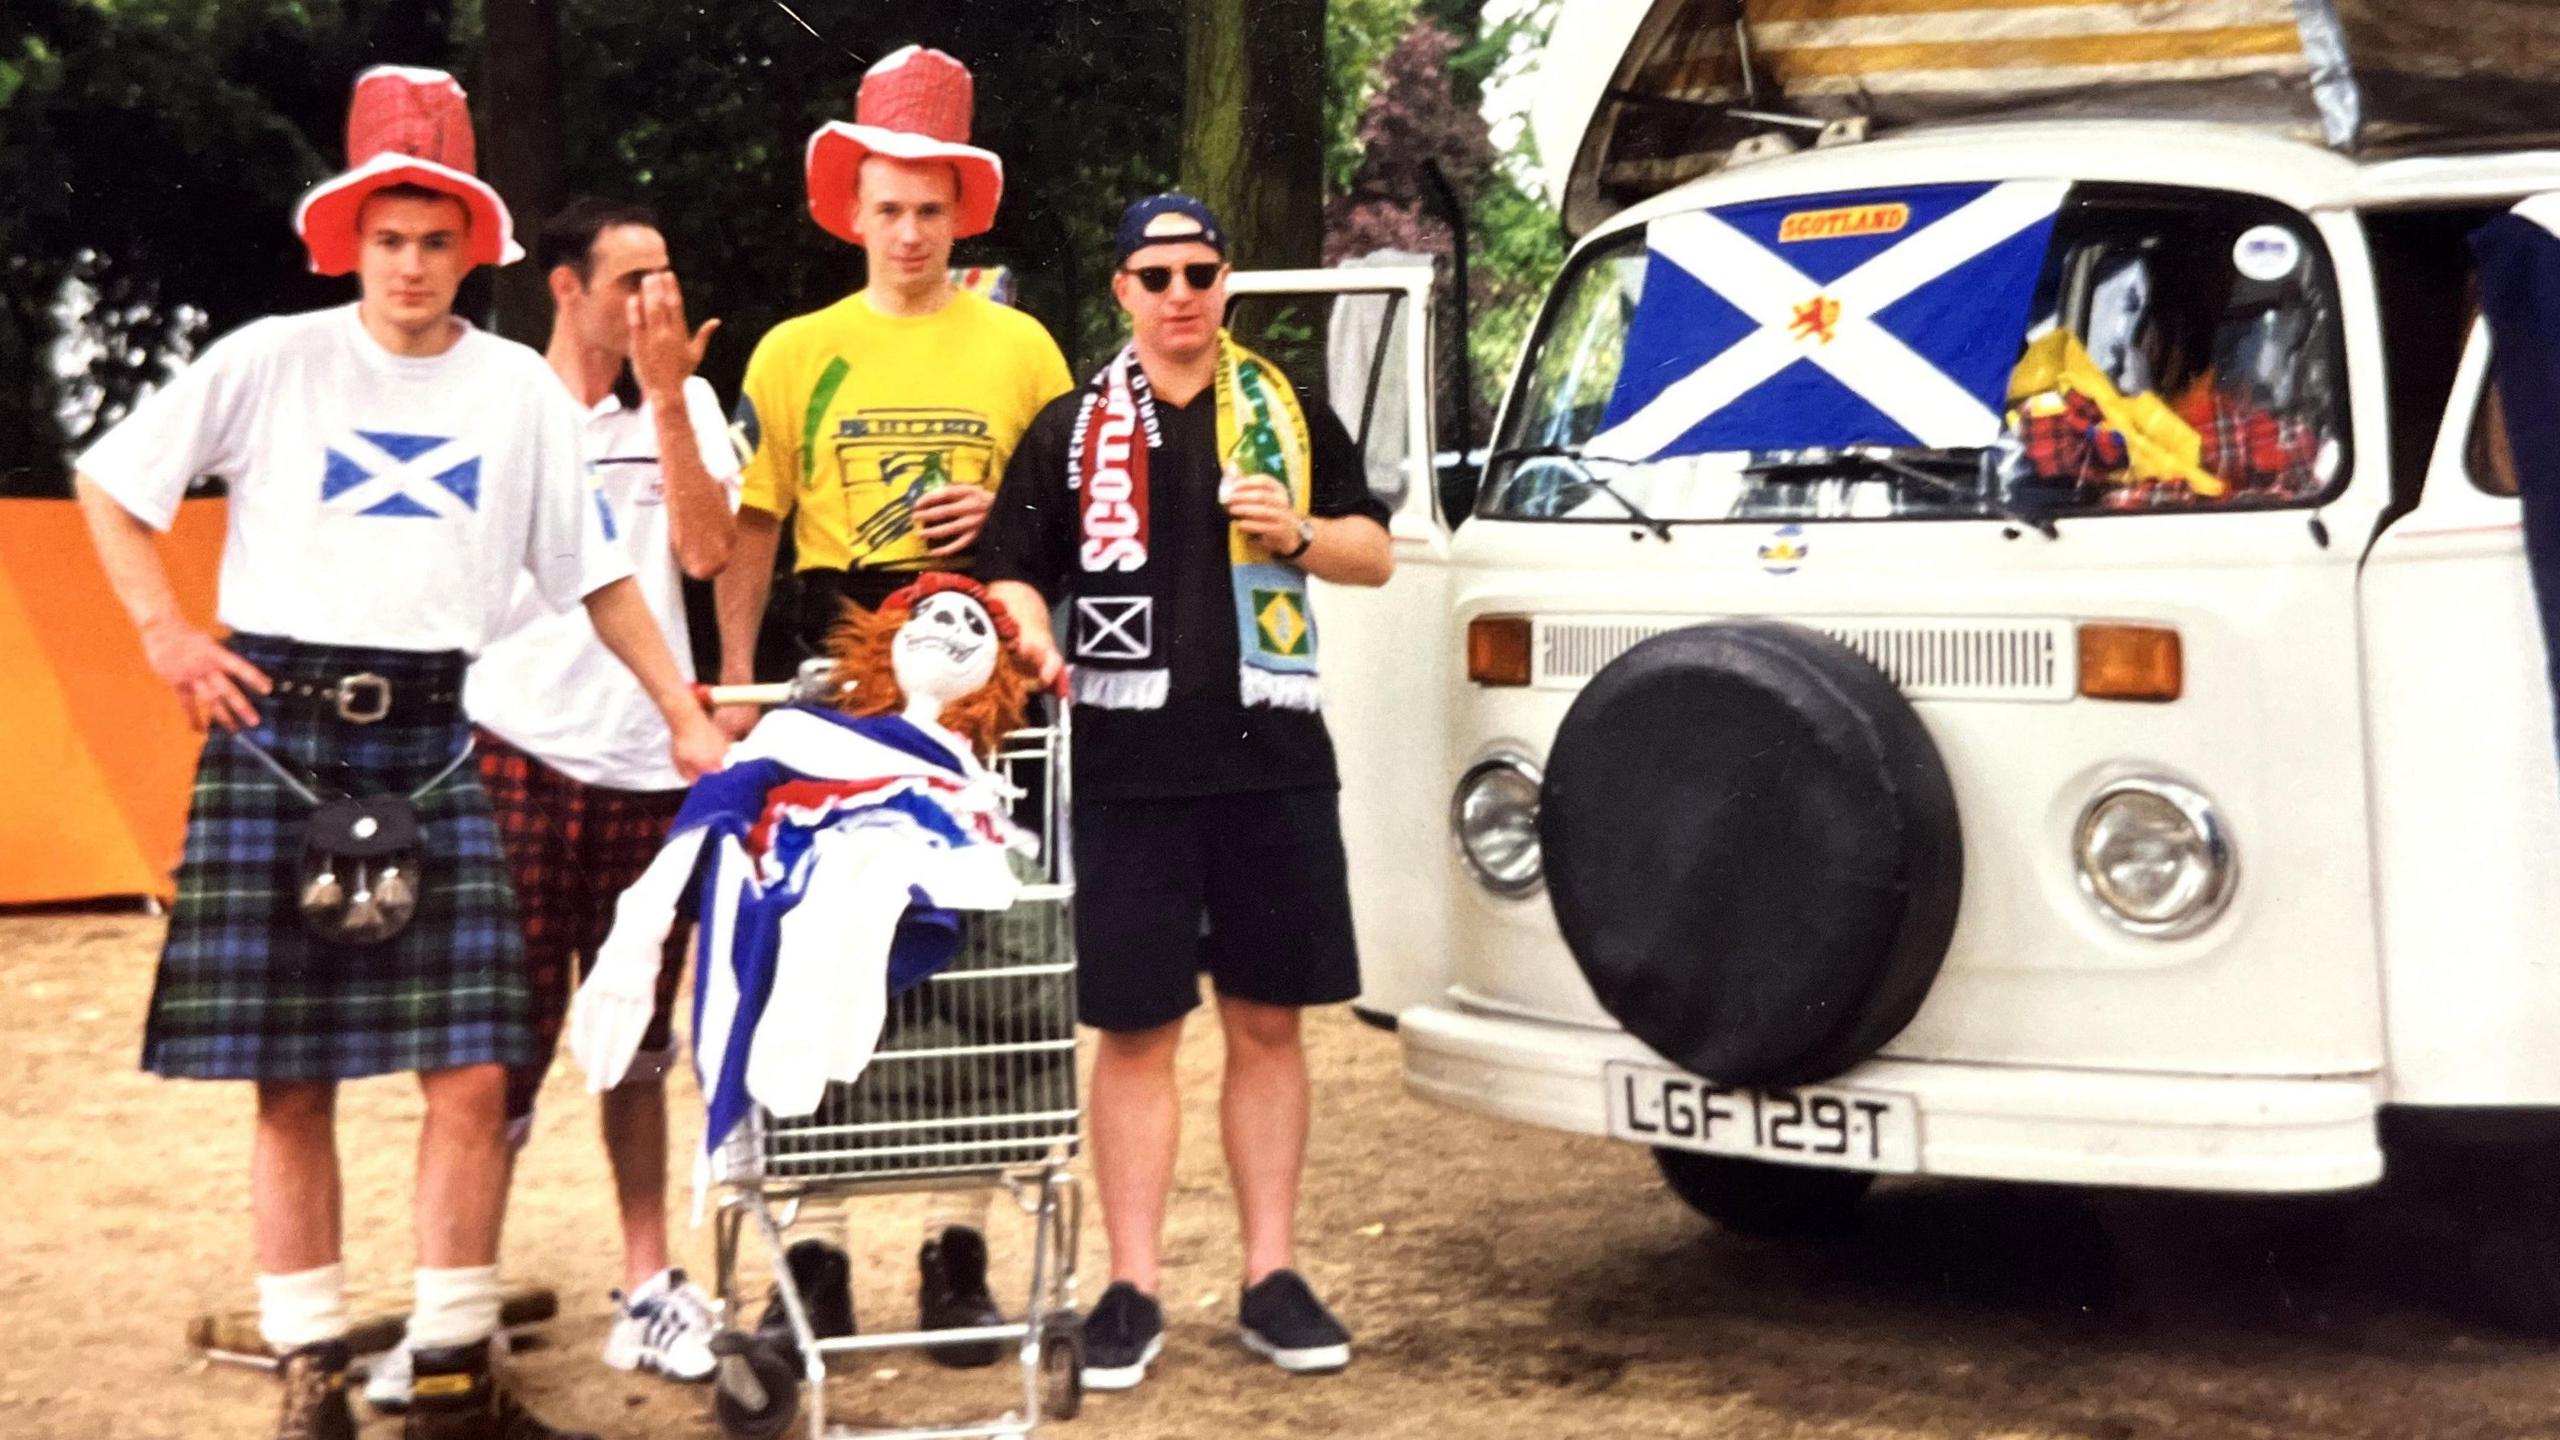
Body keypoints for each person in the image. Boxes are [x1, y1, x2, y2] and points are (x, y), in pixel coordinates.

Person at [69, 68, 725, 1440]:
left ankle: (447, 1369)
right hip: (278, 726)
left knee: (480, 1065)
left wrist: (677, 706)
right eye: (389, 238)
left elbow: (600, 577)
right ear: (350, 240)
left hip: (436, 732)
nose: (412, 265)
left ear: (472, 246)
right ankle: (309, 1369)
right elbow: (113, 483)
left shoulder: (513, 396)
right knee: (289, 1074)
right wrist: (166, 637)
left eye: (436, 240)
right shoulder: (270, 360)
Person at [978, 193, 1396, 1392]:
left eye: (1198, 272)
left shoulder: (1286, 411)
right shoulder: (1069, 430)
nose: (1179, 295)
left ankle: (1271, 1275)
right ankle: (1133, 1284)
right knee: (1137, 1030)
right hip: (1128, 771)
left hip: (1270, 761)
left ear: (1226, 282)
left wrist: (1301, 532)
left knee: (1270, 1019)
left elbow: (1374, 551)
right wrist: (1030, 640)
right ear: (1120, 292)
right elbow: (1013, 571)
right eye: (1153, 276)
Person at [710, 43, 1072, 1365]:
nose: (910, 231)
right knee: (810, 952)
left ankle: (956, 1254)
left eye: (933, 208)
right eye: (889, 207)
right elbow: (752, 524)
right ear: (852, 210)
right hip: (830, 670)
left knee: (969, 967)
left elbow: (1072, 513)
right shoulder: (797, 350)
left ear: (961, 212)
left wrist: (1008, 514)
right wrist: (745, 691)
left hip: (979, 685)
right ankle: (808, 1261)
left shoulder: (1024, 345)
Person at [361, 197, 742, 1412]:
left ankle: (647, 1292)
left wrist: (670, 394)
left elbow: (703, 552)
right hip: (508, 750)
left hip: (646, 760)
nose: (656, 303)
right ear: (565, 292)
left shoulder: (682, 405)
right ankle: (454, 1313)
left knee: (635, 1041)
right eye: (632, 280)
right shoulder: (496, 401)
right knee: (491, 1052)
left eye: (667, 277)